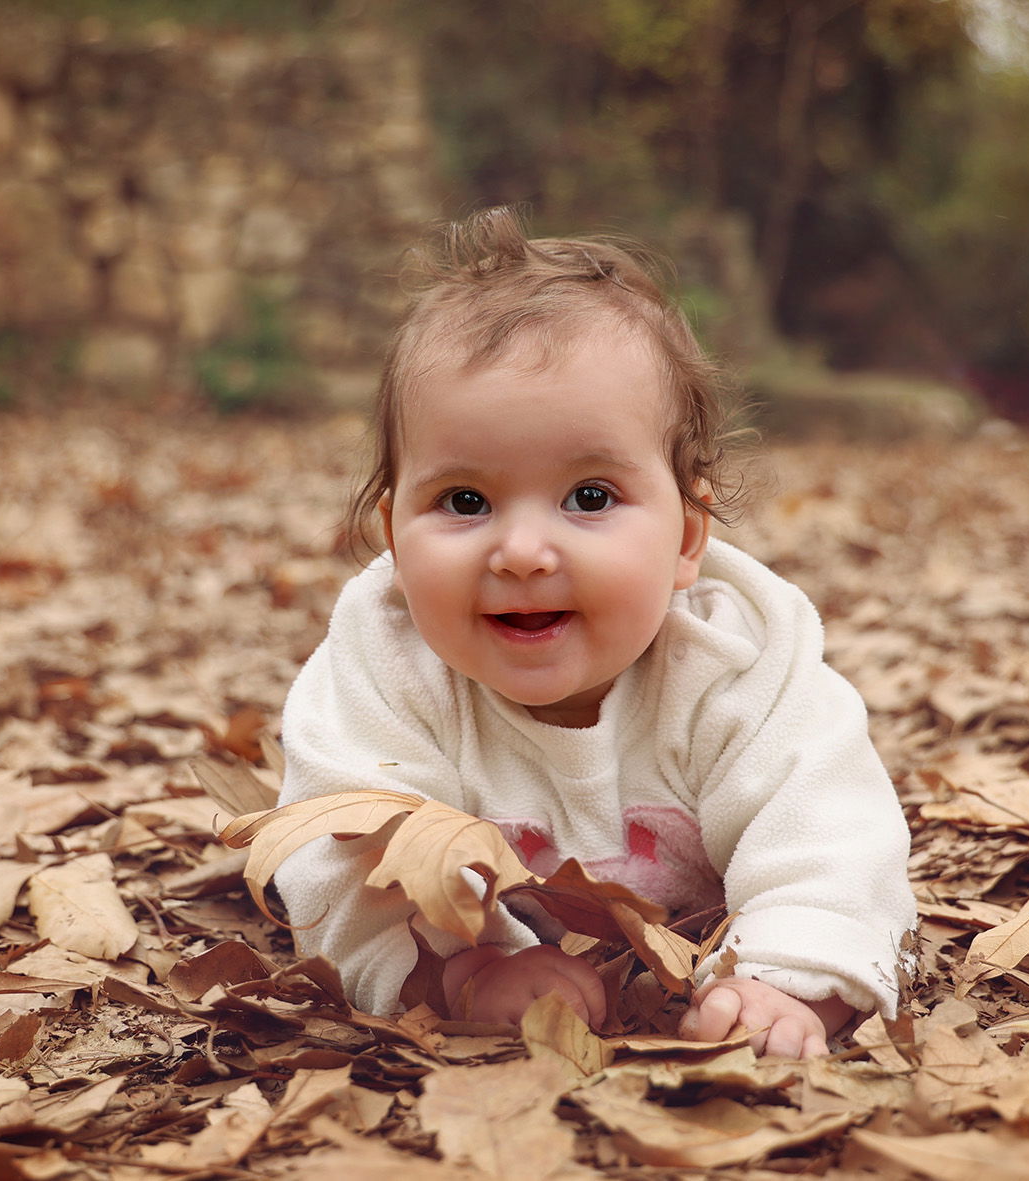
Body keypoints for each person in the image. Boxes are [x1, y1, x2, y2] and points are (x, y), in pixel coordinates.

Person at [273, 207, 916, 1058]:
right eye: (466, 502)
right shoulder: (385, 670)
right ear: (393, 536)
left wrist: (792, 976)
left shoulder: (737, 665)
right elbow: (345, 859)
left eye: (589, 497)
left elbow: (830, 831)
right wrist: (462, 970)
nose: (525, 551)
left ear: (688, 536)